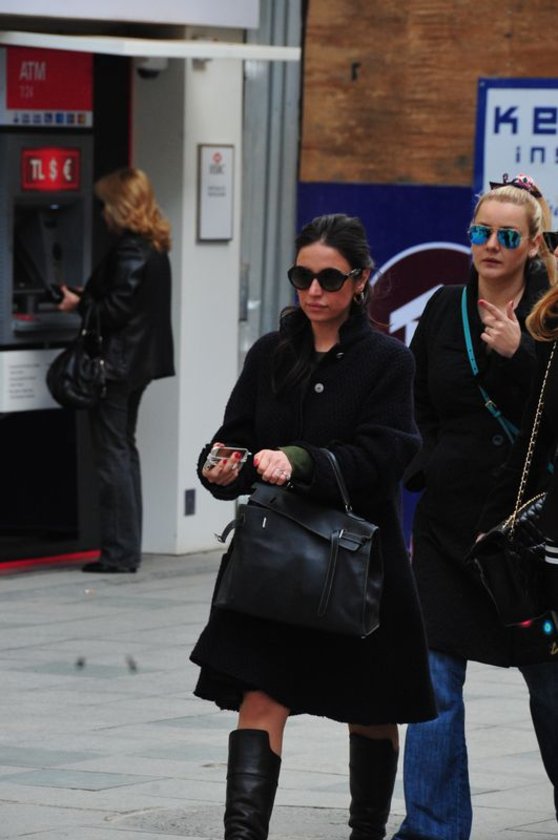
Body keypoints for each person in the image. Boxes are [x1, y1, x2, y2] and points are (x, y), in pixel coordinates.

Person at [191, 213, 436, 840]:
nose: (314, 291)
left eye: (330, 278)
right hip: (274, 562)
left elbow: (387, 454)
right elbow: (237, 438)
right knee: (260, 696)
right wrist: (220, 467)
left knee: (371, 707)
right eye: (303, 277)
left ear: (361, 280)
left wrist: (302, 461)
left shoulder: (387, 360)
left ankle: (365, 832)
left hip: (359, 564)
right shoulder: (270, 353)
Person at [392, 174, 558, 840]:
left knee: (549, 684)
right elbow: (418, 401)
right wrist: (429, 464)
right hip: (448, 527)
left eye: (507, 236)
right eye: (481, 232)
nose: (491, 245)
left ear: (534, 244)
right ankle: (433, 828)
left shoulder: (551, 314)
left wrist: (522, 357)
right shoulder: (443, 307)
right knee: (433, 679)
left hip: (531, 533)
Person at [57, 167, 174, 573]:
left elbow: (115, 311)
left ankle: (119, 553)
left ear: (120, 206)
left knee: (113, 457)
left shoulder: (130, 250)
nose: (102, 212)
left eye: (106, 204)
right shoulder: (154, 245)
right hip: (138, 364)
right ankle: (126, 548)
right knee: (124, 450)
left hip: (116, 365)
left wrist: (79, 304)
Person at [477, 248, 558, 822]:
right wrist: (493, 528)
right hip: (550, 553)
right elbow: (533, 440)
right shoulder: (551, 333)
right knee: (550, 692)